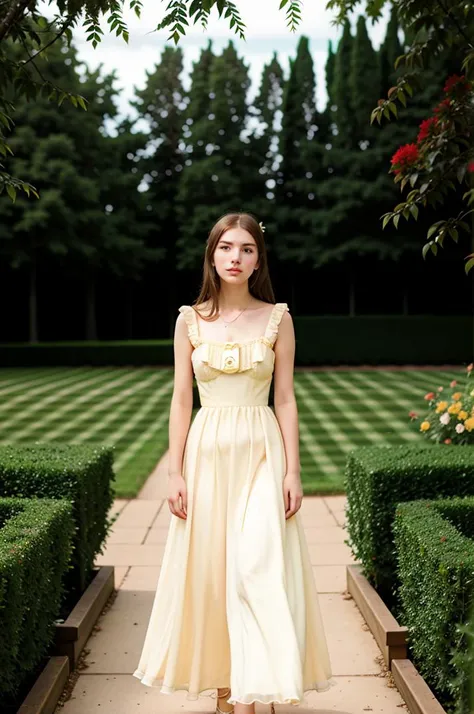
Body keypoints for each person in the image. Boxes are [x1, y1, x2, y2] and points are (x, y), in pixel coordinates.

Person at [133, 212, 335, 712]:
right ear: (212, 254)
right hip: (206, 454)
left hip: (262, 450)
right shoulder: (188, 320)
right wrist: (175, 471)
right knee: (213, 570)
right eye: (226, 248)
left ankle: (252, 689)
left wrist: (293, 470)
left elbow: (284, 398)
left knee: (256, 566)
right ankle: (227, 687)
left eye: (246, 249)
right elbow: (182, 399)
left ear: (258, 258)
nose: (236, 258)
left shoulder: (278, 318)